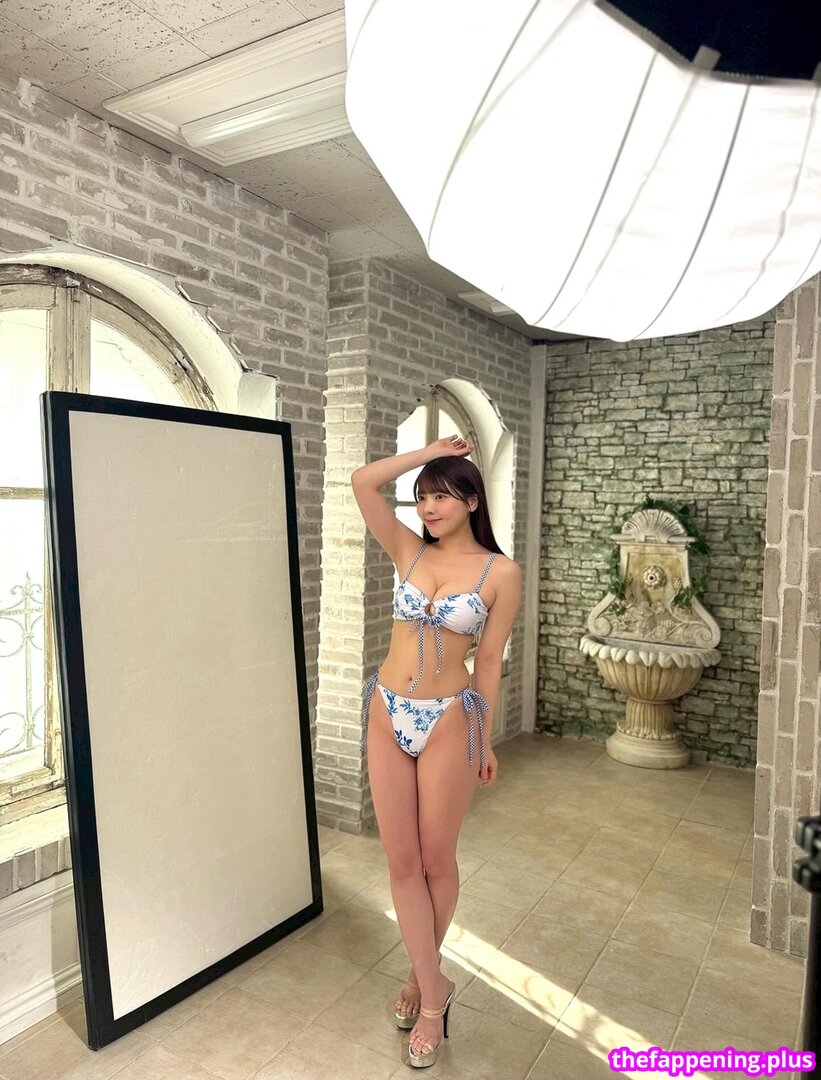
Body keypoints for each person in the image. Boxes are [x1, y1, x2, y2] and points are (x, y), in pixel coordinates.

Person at [351, 433, 522, 1068]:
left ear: (473, 501)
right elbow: (363, 482)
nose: (429, 507)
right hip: (386, 709)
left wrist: (484, 737)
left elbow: (489, 663)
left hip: (449, 718)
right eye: (423, 496)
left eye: (444, 496)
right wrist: (429, 454)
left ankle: (423, 993)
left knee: (433, 857)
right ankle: (433, 983)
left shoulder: (500, 573)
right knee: (400, 861)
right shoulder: (409, 550)